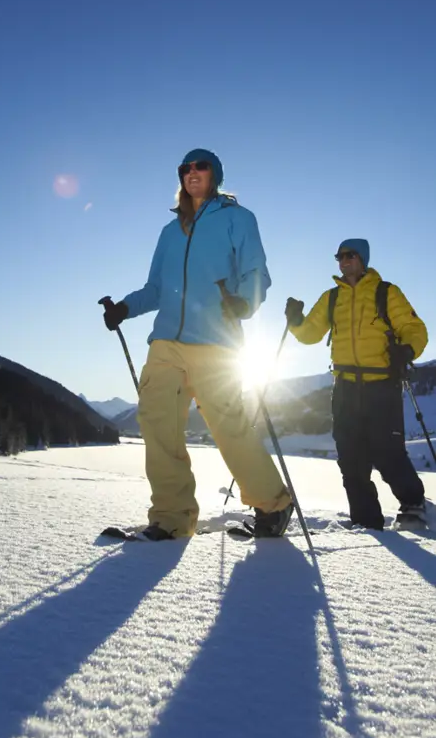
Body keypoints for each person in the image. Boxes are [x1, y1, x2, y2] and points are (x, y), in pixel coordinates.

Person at [101, 148, 292, 540]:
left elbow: (257, 273)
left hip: (216, 340)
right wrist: (124, 307)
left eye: (200, 166)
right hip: (167, 342)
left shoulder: (237, 219)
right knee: (157, 424)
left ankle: (274, 504)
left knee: (228, 427)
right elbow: (156, 289)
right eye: (185, 168)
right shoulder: (170, 232)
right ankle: (171, 518)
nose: (192, 172)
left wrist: (244, 302)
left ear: (215, 175)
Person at [285, 238, 428, 530]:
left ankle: (413, 502)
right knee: (350, 456)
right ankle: (365, 520)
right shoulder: (332, 298)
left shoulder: (386, 292)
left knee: (387, 452)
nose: (344, 260)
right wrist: (295, 320)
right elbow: (311, 334)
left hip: (381, 386)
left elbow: (415, 329)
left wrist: (407, 350)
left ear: (363, 258)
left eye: (350, 255)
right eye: (340, 256)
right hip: (345, 386)